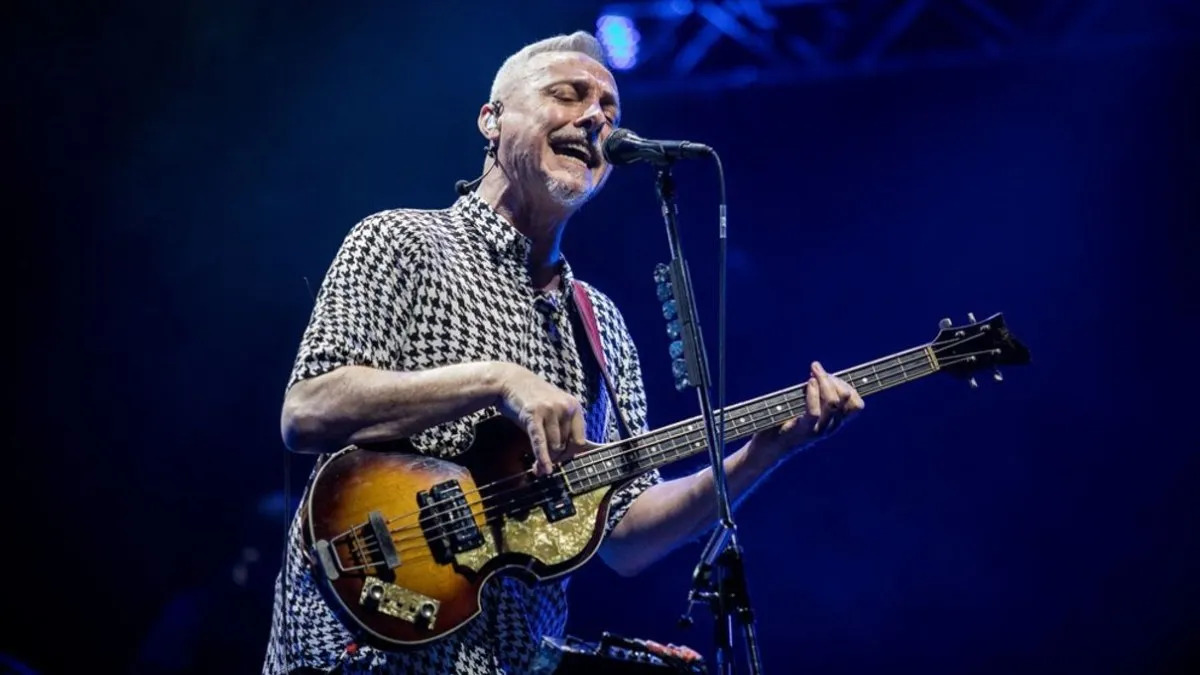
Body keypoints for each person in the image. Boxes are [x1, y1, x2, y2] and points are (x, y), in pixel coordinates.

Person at [262, 30, 864, 675]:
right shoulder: (400, 242)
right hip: (362, 652)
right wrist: (498, 380)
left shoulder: (601, 323)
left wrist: (762, 453)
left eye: (609, 107)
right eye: (568, 95)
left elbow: (625, 538)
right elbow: (307, 411)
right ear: (492, 120)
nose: (596, 118)